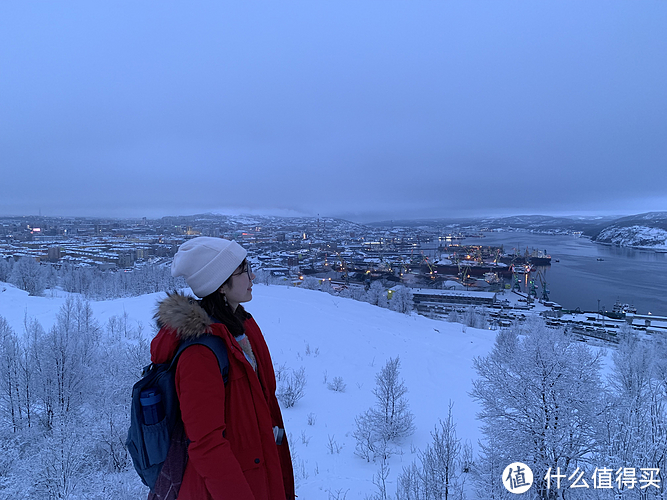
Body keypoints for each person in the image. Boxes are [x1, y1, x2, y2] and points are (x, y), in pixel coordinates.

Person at [150, 237, 295, 500]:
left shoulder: (242, 327)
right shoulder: (200, 353)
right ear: (220, 285)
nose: (252, 276)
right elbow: (207, 446)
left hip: (258, 475)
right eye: (243, 270)